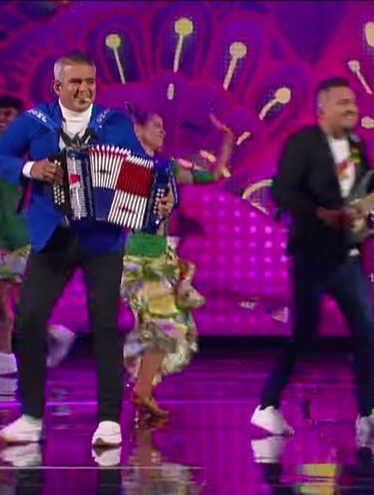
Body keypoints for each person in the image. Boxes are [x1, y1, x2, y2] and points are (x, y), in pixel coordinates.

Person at [0, 53, 147, 447]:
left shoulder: (113, 123)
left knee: (105, 324)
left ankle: (108, 421)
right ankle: (31, 416)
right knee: (29, 319)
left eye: (90, 82)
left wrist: (152, 196)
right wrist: (31, 169)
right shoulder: (36, 121)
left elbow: (142, 168)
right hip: (52, 237)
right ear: (57, 87)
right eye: (75, 82)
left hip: (102, 237)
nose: (84, 89)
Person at [250, 77, 374, 438]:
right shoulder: (303, 143)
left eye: (353, 102)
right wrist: (320, 213)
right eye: (342, 102)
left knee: (365, 331)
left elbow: (366, 191)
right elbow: (282, 192)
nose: (351, 108)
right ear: (322, 109)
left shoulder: (356, 146)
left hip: (346, 256)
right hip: (312, 255)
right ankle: (267, 405)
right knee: (305, 334)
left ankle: (368, 412)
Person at [121, 104, 234, 420]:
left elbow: (212, 175)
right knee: (164, 324)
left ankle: (143, 389)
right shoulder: (129, 166)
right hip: (139, 259)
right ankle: (141, 389)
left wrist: (227, 139)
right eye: (155, 125)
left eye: (163, 126)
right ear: (138, 130)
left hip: (160, 257)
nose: (162, 131)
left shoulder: (167, 167)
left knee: (169, 327)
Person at [0, 95, 75, 377]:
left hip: (20, 235)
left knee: (2, 294)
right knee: (11, 298)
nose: (2, 119)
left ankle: (13, 351)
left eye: (9, 114)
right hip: (9, 235)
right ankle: (43, 338)